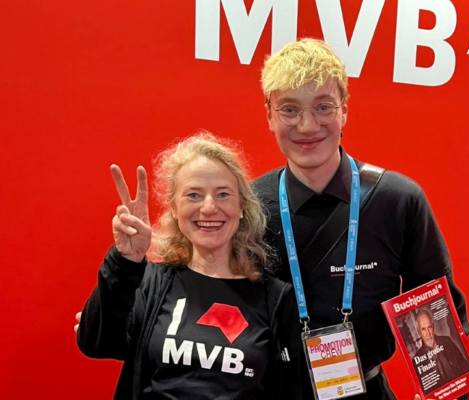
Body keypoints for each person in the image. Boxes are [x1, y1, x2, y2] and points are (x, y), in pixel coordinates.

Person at [253, 38, 469, 400]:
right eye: (290, 110)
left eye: (323, 107)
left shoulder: (397, 201)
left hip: (364, 392)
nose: (307, 126)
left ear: (344, 111)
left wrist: (446, 394)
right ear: (269, 115)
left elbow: (438, 314)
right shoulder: (250, 205)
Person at [76, 133, 301, 400]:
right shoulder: (152, 282)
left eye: (223, 194)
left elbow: (289, 389)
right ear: (173, 208)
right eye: (194, 195)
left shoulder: (274, 298)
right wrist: (125, 259)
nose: (209, 208)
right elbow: (96, 343)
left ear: (241, 206)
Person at [412, 310, 469, 395]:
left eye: (429, 327)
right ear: (419, 332)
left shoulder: (447, 341)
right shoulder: (416, 360)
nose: (428, 333)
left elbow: (464, 365)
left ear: (433, 326)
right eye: (423, 329)